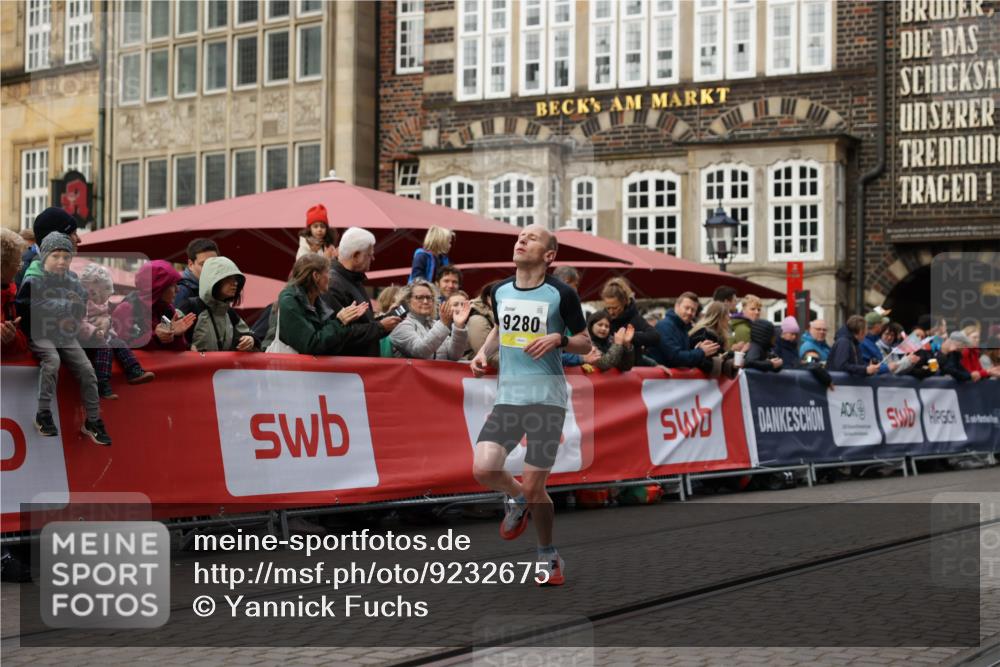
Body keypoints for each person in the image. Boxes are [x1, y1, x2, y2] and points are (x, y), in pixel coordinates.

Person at [470, 224, 590, 587]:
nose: (521, 240)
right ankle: (517, 498)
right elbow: (500, 327)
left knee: (538, 487)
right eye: (520, 236)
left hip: (546, 400)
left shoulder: (561, 293)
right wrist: (482, 352)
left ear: (549, 255)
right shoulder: (499, 291)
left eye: (532, 238)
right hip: (509, 397)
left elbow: (584, 343)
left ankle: (547, 553)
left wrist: (560, 338)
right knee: (483, 468)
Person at [15, 233, 111, 445]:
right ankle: (43, 414)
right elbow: (27, 307)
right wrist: (64, 307)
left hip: (65, 334)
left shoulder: (72, 280)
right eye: (56, 256)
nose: (61, 262)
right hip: (39, 333)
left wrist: (71, 314)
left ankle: (93, 420)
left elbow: (80, 305)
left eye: (66, 257)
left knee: (87, 369)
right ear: (45, 256)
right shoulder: (32, 278)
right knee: (52, 362)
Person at [78, 263, 155, 399]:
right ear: (94, 286)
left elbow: (105, 317)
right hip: (86, 339)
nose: (105, 296)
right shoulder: (81, 301)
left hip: (101, 334)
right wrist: (95, 331)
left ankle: (134, 370)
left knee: (118, 342)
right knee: (105, 348)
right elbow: (79, 322)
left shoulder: (99, 300)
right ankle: (102, 383)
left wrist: (107, 326)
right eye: (104, 289)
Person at [322, 227, 400, 357]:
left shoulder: (353, 279)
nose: (373, 258)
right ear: (356, 255)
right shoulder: (333, 284)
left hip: (359, 369)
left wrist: (385, 319)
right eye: (369, 254)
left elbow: (363, 324)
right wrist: (380, 327)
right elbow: (342, 334)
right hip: (348, 370)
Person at [273, 254, 368, 355]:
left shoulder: (317, 300)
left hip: (306, 369)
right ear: (316, 276)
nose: (330, 277)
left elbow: (327, 343)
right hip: (291, 369)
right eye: (327, 272)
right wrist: (340, 322)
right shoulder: (290, 301)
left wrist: (345, 320)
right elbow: (311, 345)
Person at [112, 260, 197, 351]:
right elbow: (121, 350)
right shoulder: (127, 309)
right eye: (172, 286)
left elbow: (174, 351)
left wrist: (176, 335)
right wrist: (156, 337)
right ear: (158, 288)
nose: (177, 290)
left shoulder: (166, 309)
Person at [190, 257, 258, 352]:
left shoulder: (229, 312)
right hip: (194, 366)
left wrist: (251, 340)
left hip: (220, 367)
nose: (235, 283)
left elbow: (250, 335)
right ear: (214, 280)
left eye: (236, 279)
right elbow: (172, 341)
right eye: (228, 278)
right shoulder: (191, 306)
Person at [390, 280, 471, 360]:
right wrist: (443, 324)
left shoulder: (435, 324)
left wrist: (459, 326)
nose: (425, 301)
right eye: (420, 297)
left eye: (429, 297)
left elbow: (454, 356)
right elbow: (420, 352)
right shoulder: (399, 324)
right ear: (407, 301)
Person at [649, 292, 719, 369]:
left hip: (669, 378)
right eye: (686, 308)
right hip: (660, 379)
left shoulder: (682, 327)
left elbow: (680, 354)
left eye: (693, 310)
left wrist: (697, 349)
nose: (689, 312)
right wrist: (701, 351)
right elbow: (675, 358)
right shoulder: (665, 326)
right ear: (676, 306)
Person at [15, 207, 81, 287]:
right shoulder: (26, 271)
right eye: (74, 233)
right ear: (57, 238)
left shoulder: (58, 268)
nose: (79, 239)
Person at [599, 277, 659, 365]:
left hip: (632, 369)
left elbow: (655, 336)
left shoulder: (635, 318)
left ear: (624, 302)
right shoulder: (602, 318)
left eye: (615, 308)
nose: (611, 312)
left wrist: (630, 337)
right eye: (608, 308)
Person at [1, 229, 29, 359]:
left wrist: (12, 337)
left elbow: (22, 347)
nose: (19, 269)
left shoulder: (10, 295)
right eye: (17, 263)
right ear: (2, 266)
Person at [174, 238, 219, 311]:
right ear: (190, 264)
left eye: (214, 264)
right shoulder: (182, 291)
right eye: (203, 264)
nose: (210, 268)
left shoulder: (217, 287)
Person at [466, 280, 500, 367]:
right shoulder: (477, 320)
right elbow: (486, 356)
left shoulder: (499, 316)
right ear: (489, 299)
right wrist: (518, 362)